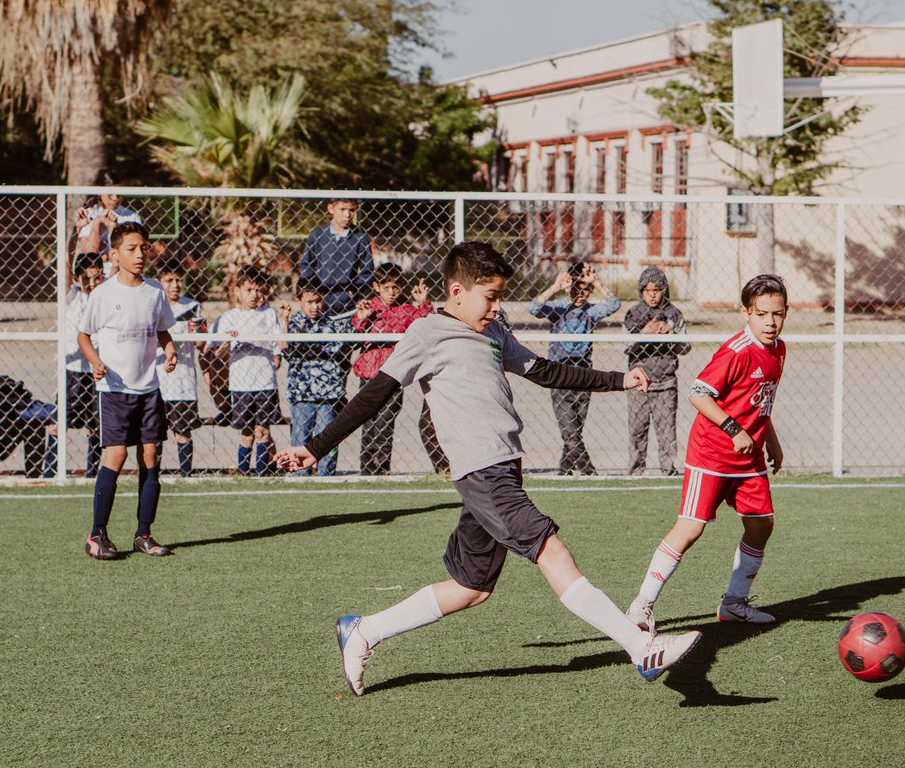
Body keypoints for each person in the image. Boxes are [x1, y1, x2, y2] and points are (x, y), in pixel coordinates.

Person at [275, 241, 701, 697]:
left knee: (469, 587)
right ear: (457, 291)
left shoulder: (494, 331)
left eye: (500, 296)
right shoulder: (427, 333)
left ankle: (362, 630)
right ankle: (640, 647)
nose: (497, 306)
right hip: (482, 473)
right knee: (551, 550)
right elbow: (373, 394)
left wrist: (619, 380)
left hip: (503, 470)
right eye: (490, 297)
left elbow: (545, 371)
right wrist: (315, 447)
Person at [627, 274, 789, 633]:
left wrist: (771, 440)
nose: (770, 322)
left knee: (762, 525)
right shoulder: (736, 351)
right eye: (762, 313)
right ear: (746, 312)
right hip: (713, 454)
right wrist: (734, 430)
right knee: (690, 528)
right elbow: (699, 393)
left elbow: (759, 400)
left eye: (777, 314)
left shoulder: (778, 349)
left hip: (749, 457)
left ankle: (734, 603)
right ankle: (641, 607)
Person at [76, 222, 178, 560]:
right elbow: (83, 335)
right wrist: (94, 362)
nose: (139, 254)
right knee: (116, 456)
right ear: (114, 254)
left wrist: (170, 348)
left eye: (144, 248)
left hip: (149, 389)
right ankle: (97, 534)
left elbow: (162, 329)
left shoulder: (154, 291)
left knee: (150, 457)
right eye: (131, 248)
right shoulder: (103, 294)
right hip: (115, 389)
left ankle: (144, 533)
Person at [351, 262, 447, 475]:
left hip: (393, 374)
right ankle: (367, 469)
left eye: (396, 287)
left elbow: (425, 325)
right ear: (376, 286)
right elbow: (354, 337)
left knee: (385, 423)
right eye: (387, 288)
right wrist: (361, 319)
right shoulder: (369, 306)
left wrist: (422, 303)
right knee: (367, 421)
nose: (392, 293)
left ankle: (381, 468)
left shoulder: (405, 309)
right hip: (369, 372)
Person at [528, 262, 620, 475]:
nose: (580, 293)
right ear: (568, 287)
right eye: (575, 289)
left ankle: (564, 470)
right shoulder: (559, 308)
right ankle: (589, 472)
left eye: (584, 289)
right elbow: (533, 308)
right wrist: (555, 287)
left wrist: (597, 283)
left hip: (584, 372)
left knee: (575, 428)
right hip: (560, 372)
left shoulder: (590, 311)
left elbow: (614, 303)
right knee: (569, 429)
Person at [212, 267, 289, 476]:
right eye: (249, 290)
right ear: (237, 291)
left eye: (259, 290)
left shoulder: (268, 313)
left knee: (263, 431)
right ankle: (244, 471)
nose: (255, 295)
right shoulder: (229, 317)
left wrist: (278, 353)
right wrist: (229, 341)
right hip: (241, 383)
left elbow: (279, 345)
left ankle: (262, 473)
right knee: (247, 433)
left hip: (265, 382)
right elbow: (219, 354)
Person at [282, 282, 356, 476]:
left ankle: (326, 476)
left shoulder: (329, 323)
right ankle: (300, 475)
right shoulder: (293, 323)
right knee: (300, 437)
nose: (314, 306)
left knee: (327, 438)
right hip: (302, 391)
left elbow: (343, 345)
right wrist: (284, 319)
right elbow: (285, 348)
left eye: (318, 301)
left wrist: (360, 319)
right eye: (309, 302)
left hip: (328, 391)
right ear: (299, 301)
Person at [624, 266, 690, 476]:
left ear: (664, 290)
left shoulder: (674, 314)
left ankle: (668, 469)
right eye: (648, 290)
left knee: (666, 430)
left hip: (666, 382)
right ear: (641, 291)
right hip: (639, 382)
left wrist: (672, 335)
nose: (653, 295)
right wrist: (644, 333)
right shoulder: (633, 314)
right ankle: (636, 469)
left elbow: (686, 347)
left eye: (657, 289)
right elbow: (624, 346)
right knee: (637, 429)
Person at [155, 259, 207, 477]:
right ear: (159, 282)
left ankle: (186, 474)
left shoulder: (192, 307)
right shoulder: (153, 305)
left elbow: (202, 342)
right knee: (154, 434)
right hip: (156, 380)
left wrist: (200, 335)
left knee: (182, 431)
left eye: (178, 279)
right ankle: (151, 474)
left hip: (183, 381)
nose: (175, 284)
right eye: (169, 280)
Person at [64, 252, 105, 477]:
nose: (91, 283)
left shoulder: (105, 296)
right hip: (74, 370)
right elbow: (66, 263)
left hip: (97, 370)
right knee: (60, 422)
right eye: (86, 278)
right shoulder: (73, 295)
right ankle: (52, 470)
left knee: (96, 425)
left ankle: (92, 472)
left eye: (96, 277)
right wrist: (76, 232)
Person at [295, 198, 374, 317]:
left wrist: (353, 291)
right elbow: (306, 265)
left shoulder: (360, 238)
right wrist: (312, 292)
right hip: (319, 304)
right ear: (331, 209)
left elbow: (367, 271)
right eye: (342, 209)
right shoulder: (317, 234)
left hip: (347, 306)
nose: (347, 215)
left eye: (352, 210)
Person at [73, 168, 142, 273]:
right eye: (110, 194)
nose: (115, 198)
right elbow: (90, 254)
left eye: (119, 193)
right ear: (99, 191)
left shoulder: (131, 216)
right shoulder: (88, 214)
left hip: (122, 272)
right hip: (95, 275)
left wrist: (113, 229)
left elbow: (132, 252)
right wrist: (96, 223)